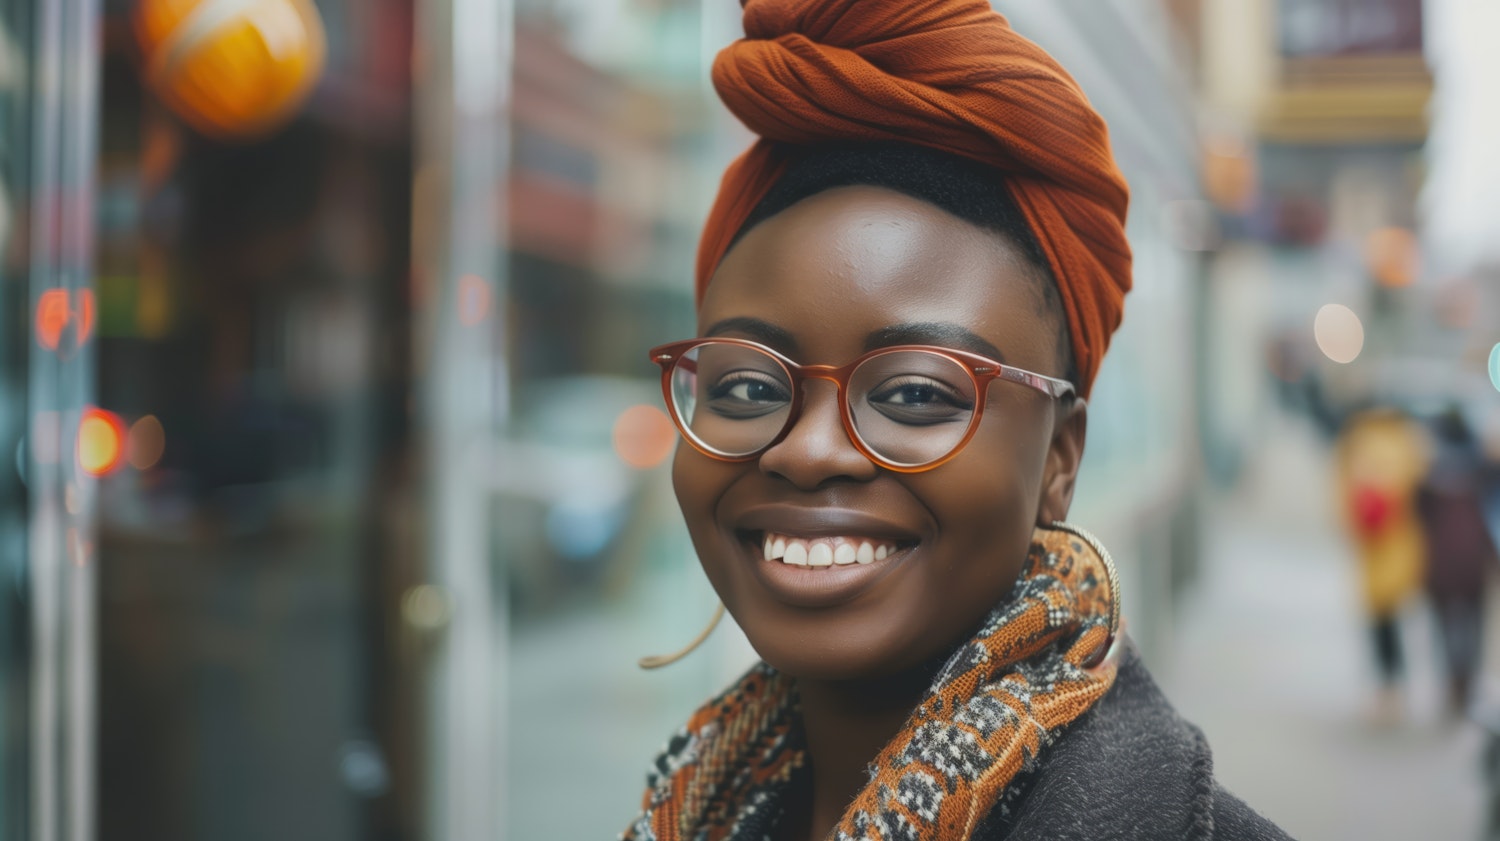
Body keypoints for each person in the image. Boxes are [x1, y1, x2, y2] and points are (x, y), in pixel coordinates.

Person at [624, 2, 1290, 839]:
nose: (808, 449)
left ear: (1059, 457)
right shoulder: (703, 808)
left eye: (913, 393)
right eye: (750, 388)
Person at [1333, 407, 1427, 721]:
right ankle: (1393, 687)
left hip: (1374, 549)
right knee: (1391, 621)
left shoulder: (1357, 443)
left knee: (1379, 622)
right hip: (1399, 545)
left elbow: (1342, 492)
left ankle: (1386, 688)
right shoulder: (1407, 444)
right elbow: (1418, 493)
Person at [1415, 408, 1498, 715]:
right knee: (1474, 624)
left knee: (1444, 624)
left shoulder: (1427, 474)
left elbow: (1418, 518)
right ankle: (1467, 682)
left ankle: (1452, 680)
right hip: (1474, 560)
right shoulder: (1481, 471)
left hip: (1439, 561)